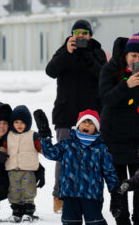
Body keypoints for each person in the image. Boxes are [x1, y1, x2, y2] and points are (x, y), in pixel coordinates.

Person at [34, 108, 119, 225]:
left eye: (91, 123)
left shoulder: (101, 149)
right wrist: (44, 135)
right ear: (78, 125)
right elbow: (50, 153)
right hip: (70, 195)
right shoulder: (67, 145)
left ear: (96, 128)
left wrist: (115, 193)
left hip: (92, 196)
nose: (86, 125)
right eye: (84, 122)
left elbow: (109, 172)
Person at [99, 29, 139, 225]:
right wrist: (126, 84)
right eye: (133, 55)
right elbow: (105, 98)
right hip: (113, 137)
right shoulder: (110, 69)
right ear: (126, 54)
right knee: (118, 187)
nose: (136, 59)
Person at [45, 19, 105, 213]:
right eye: (77, 32)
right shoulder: (64, 50)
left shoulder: (97, 52)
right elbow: (51, 71)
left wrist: (88, 56)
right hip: (66, 114)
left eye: (84, 33)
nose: (80, 36)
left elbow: (103, 76)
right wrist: (66, 53)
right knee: (64, 156)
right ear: (72, 35)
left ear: (90, 35)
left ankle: (87, 195)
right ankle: (59, 196)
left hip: (91, 116)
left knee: (91, 157)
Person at [3, 105, 45, 222]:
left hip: (29, 170)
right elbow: (3, 149)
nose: (19, 125)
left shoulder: (33, 135)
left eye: (22, 122)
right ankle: (16, 211)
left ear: (28, 123)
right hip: (12, 170)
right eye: (16, 122)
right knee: (14, 191)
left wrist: (46, 144)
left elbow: (42, 149)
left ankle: (28, 211)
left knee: (28, 190)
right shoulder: (8, 136)